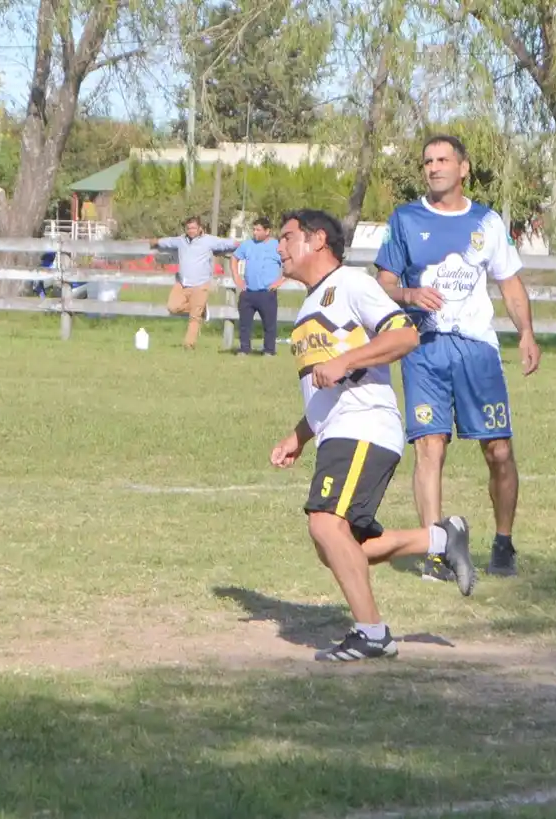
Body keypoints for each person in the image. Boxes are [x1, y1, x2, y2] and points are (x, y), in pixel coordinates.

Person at [270, 209, 476, 663]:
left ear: (317, 239)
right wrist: (299, 435)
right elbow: (326, 388)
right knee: (342, 547)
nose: (279, 248)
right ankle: (442, 540)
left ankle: (372, 633)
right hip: (338, 431)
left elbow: (404, 336)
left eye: (286, 238)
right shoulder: (311, 302)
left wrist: (345, 362)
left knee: (325, 524)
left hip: (364, 426)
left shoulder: (352, 284)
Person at [373, 134, 539, 580]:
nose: (434, 167)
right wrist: (408, 293)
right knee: (430, 447)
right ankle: (433, 550)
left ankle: (503, 544)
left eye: (443, 159)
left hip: (476, 351)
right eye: (427, 161)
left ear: (463, 168)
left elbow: (509, 282)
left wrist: (526, 333)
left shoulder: (487, 222)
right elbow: (383, 284)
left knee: (499, 450)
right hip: (423, 349)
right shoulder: (405, 220)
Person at [151, 217, 238, 349]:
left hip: (200, 284)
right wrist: (154, 242)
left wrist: (240, 244)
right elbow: (167, 242)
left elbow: (226, 244)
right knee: (172, 307)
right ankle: (201, 308)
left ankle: (189, 344)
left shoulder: (209, 240)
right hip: (182, 283)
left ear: (200, 228)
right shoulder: (181, 240)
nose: (191, 231)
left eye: (193, 228)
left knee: (194, 317)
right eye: (188, 228)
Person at [231, 216, 285, 356]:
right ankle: (244, 349)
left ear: (267, 231)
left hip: (267, 292)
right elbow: (234, 258)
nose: (255, 232)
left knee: (269, 325)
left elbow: (289, 263)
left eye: (258, 230)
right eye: (254, 229)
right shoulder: (247, 245)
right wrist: (236, 277)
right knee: (244, 324)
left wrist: (281, 280)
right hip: (248, 291)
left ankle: (268, 350)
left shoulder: (276, 246)